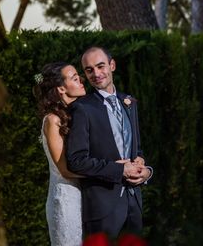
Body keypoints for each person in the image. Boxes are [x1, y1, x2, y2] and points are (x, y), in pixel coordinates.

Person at [66, 46, 153, 239]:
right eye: (89, 70)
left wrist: (145, 170)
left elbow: (136, 149)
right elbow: (76, 161)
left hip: (134, 202)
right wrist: (118, 169)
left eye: (100, 66)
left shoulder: (129, 102)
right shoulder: (81, 108)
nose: (96, 74)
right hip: (102, 208)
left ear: (112, 65)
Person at [36, 61, 86, 246]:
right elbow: (64, 170)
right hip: (66, 201)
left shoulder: (75, 115)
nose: (81, 80)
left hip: (84, 197)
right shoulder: (52, 120)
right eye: (74, 78)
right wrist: (109, 170)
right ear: (61, 89)